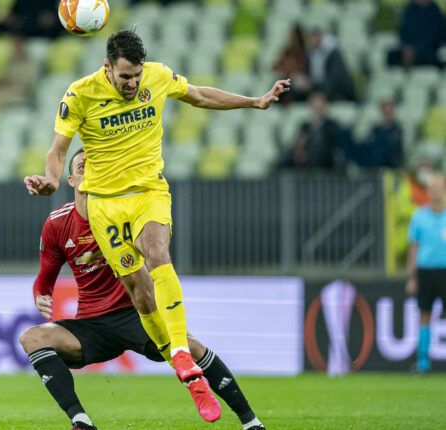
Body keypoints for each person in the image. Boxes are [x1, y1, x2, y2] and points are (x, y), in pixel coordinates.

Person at [24, 29, 289, 423]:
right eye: (125, 76)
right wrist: (49, 178)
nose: (132, 83)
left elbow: (199, 94)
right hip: (106, 206)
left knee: (156, 250)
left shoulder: (158, 77)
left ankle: (182, 356)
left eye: (136, 76)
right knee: (139, 291)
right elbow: (57, 150)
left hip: (148, 192)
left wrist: (254, 102)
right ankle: (100, 410)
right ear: (107, 67)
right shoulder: (80, 94)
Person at [20, 148, 265, 430]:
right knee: (33, 337)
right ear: (71, 180)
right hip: (92, 324)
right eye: (81, 165)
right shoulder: (58, 223)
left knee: (192, 348)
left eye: (94, 163)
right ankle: (81, 421)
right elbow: (45, 276)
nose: (88, 166)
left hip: (137, 312)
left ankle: (251, 422)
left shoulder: (125, 210)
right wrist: (42, 295)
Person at [406, 172, 446, 374]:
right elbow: (414, 248)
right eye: (432, 189)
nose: (436, 193)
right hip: (426, 271)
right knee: (425, 314)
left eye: (439, 189)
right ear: (427, 192)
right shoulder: (419, 216)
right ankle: (423, 362)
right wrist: (412, 277)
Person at [278, 91, 342, 171]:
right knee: (286, 155)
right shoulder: (305, 125)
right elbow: (299, 141)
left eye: (320, 102)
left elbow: (332, 144)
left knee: (318, 144)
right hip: (306, 157)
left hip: (325, 158)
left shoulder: (332, 125)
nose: (317, 105)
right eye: (314, 102)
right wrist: (299, 149)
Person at [388, 0, 446, 68]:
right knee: (392, 56)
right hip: (409, 49)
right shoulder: (410, 9)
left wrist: (415, 49)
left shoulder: (434, 10)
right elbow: (403, 31)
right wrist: (406, 46)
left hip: (428, 50)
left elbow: (436, 36)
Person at [305, 28, 355, 102]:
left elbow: (334, 79)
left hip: (336, 91)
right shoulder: (310, 54)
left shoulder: (333, 54)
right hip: (319, 87)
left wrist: (313, 85)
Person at [352, 100, 404, 169]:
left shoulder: (397, 129)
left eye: (389, 113)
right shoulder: (376, 128)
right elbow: (366, 143)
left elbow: (395, 148)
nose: (387, 116)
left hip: (388, 161)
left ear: (393, 113)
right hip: (372, 158)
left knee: (381, 140)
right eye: (385, 113)